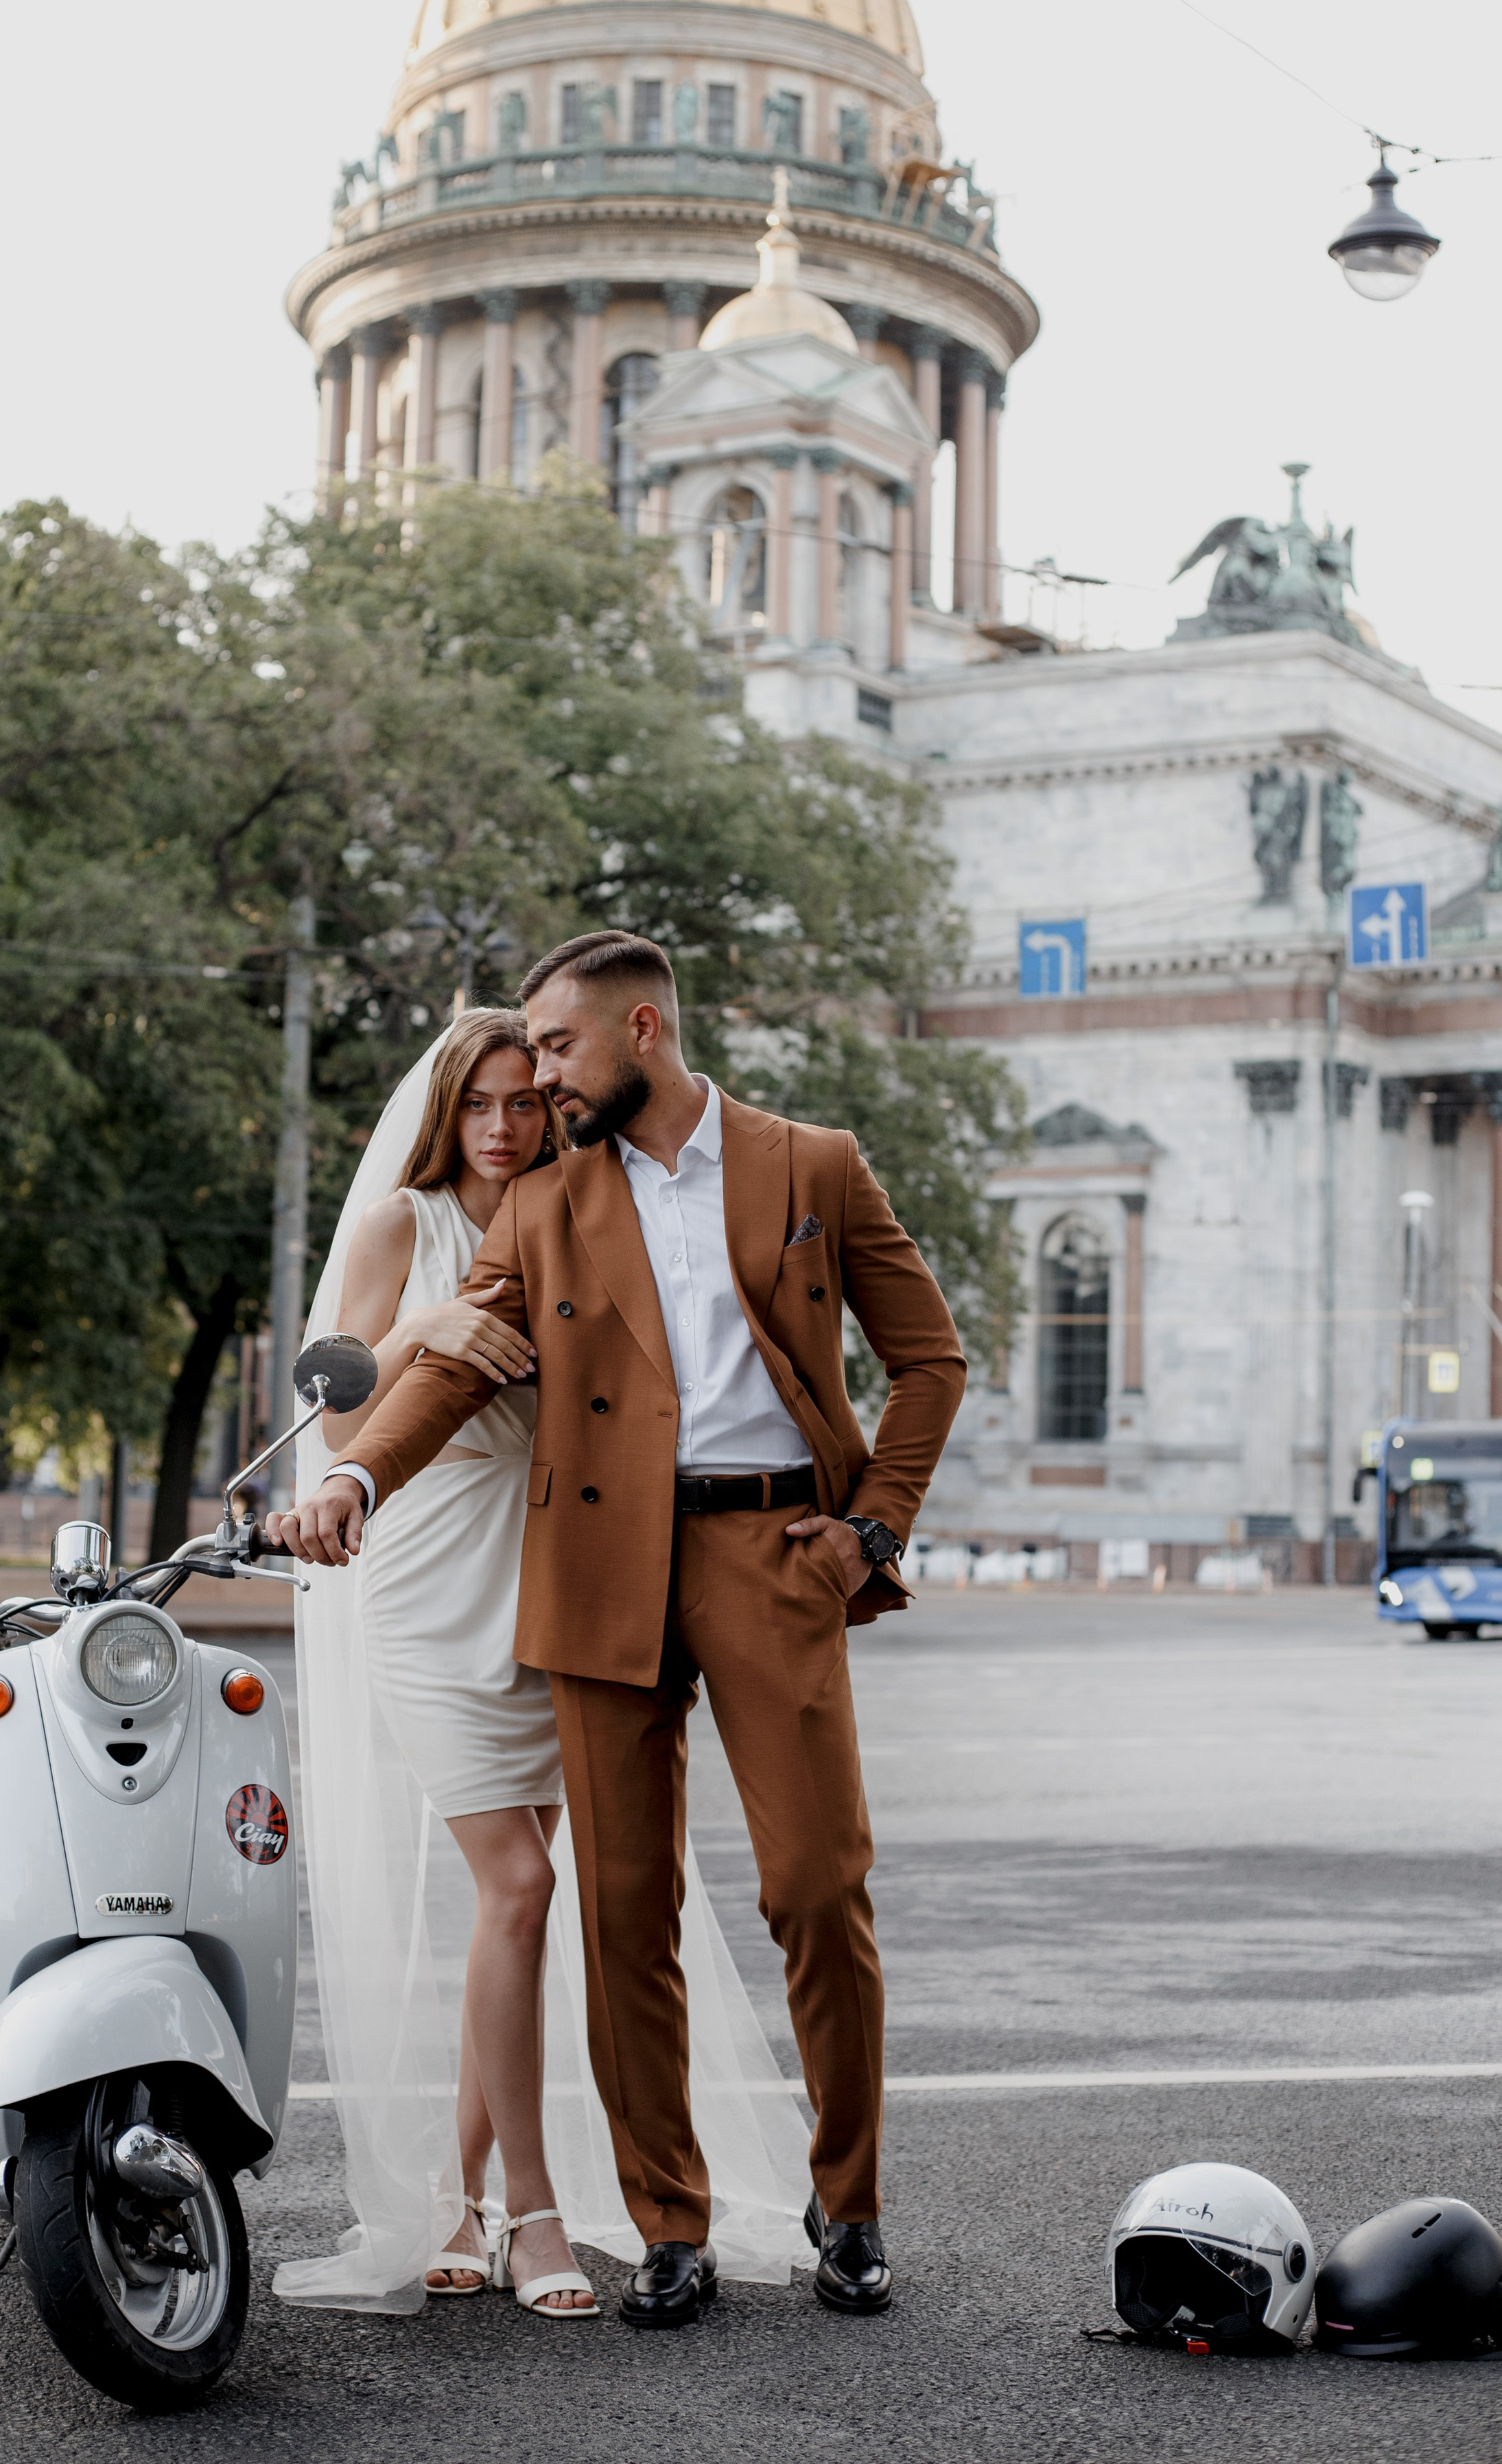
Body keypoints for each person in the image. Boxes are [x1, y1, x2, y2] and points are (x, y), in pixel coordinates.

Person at [274, 933, 968, 2329]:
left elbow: (928, 1359)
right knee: (620, 1904)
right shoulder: (545, 1204)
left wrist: (872, 1528)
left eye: (557, 1047)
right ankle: (668, 2223)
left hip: (771, 1553)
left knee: (815, 1885)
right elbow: (453, 1372)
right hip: (596, 1563)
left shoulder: (813, 1166)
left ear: (641, 1030)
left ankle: (849, 2202)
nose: (540, 1076)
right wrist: (353, 1480)